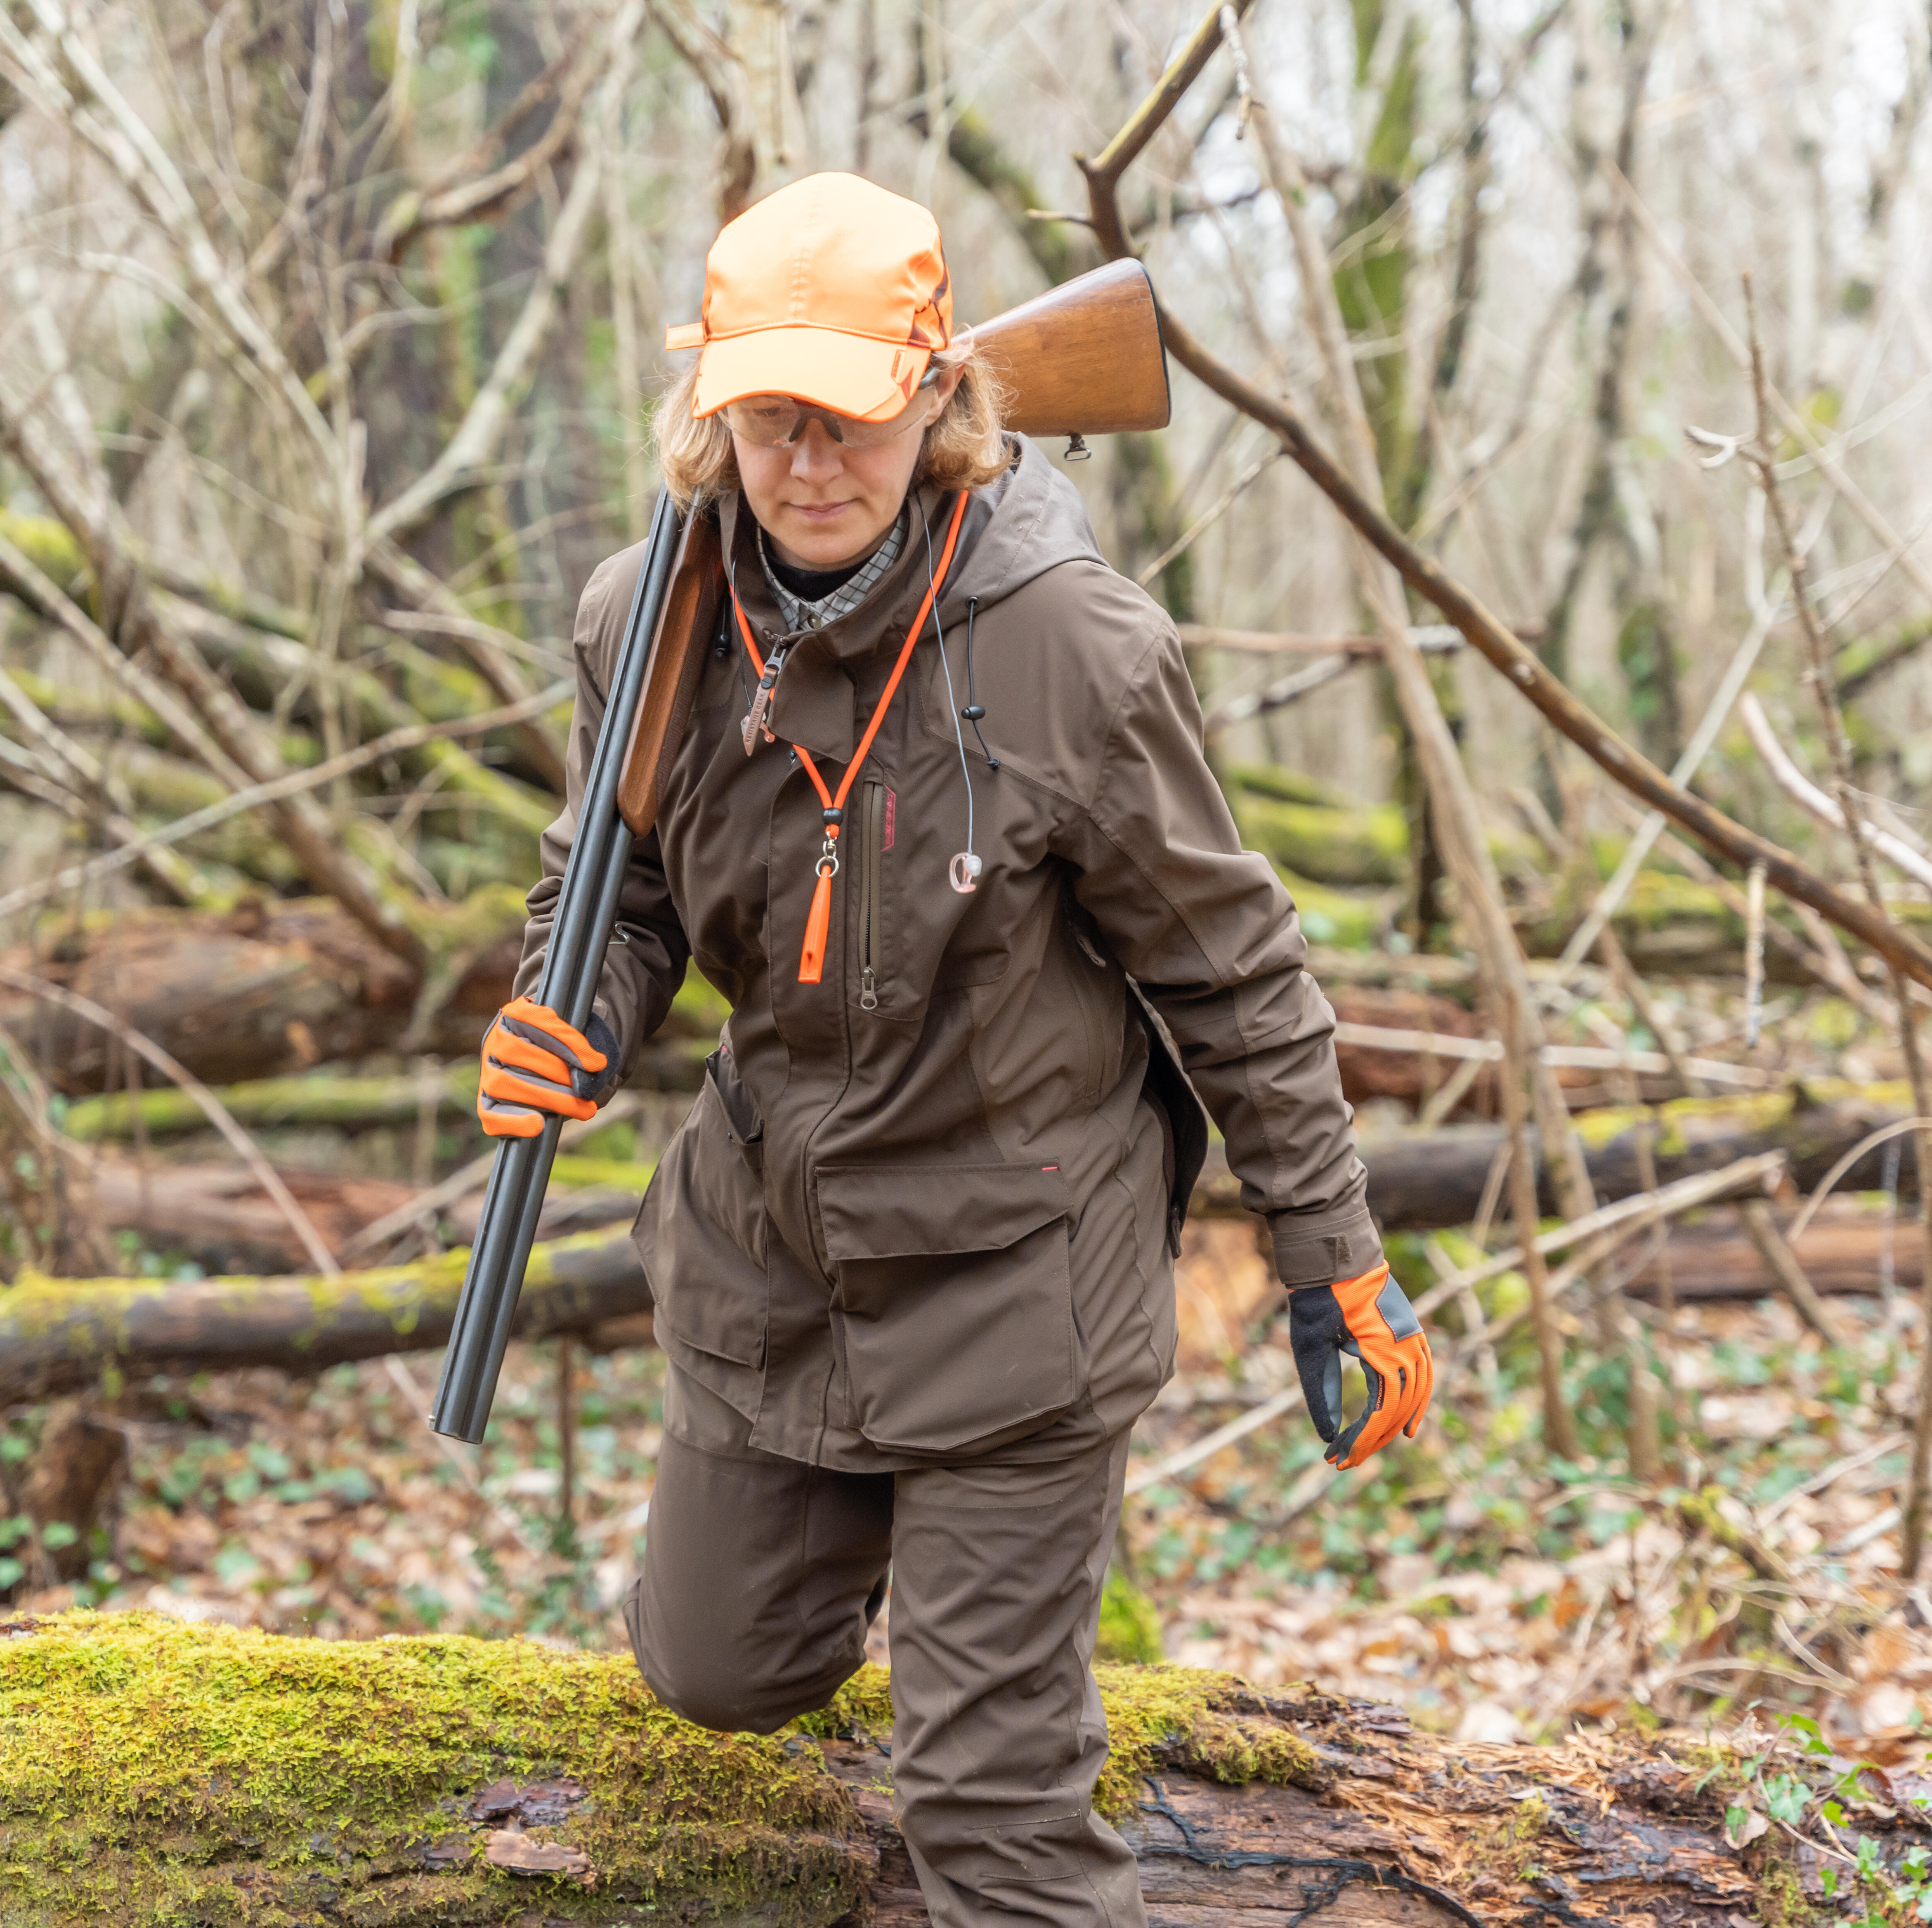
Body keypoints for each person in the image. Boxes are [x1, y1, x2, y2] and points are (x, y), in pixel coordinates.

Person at [473, 171, 1435, 1927]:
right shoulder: (650, 619)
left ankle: (992, 1645)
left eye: (851, 413)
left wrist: (1336, 1265)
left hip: (1017, 1273)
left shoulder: (1071, 644)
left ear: (940, 393)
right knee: (712, 1670)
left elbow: (1237, 975)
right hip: (782, 1258)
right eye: (770, 417)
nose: (810, 458)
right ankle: (932, 1603)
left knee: (986, 1818)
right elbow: (608, 896)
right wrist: (574, 1021)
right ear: (716, 408)